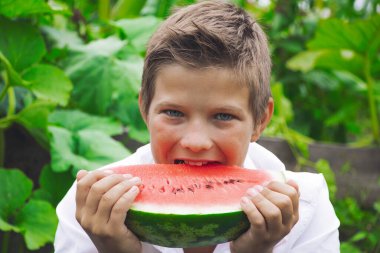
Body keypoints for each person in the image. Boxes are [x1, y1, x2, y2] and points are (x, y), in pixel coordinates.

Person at [54, 1, 340, 253]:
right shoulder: (89, 209)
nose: (196, 142)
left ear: (261, 120)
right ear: (144, 109)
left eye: (223, 116)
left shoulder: (307, 207)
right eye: (173, 112)